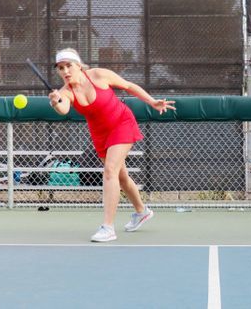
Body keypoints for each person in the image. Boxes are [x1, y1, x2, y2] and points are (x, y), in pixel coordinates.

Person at [48, 48, 176, 242]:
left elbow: (129, 86)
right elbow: (63, 109)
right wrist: (55, 102)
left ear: (79, 65)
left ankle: (107, 227)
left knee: (109, 171)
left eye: (68, 66)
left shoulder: (99, 75)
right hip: (100, 134)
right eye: (60, 68)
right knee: (121, 177)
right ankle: (142, 211)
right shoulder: (66, 92)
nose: (65, 71)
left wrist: (152, 102)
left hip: (122, 123)